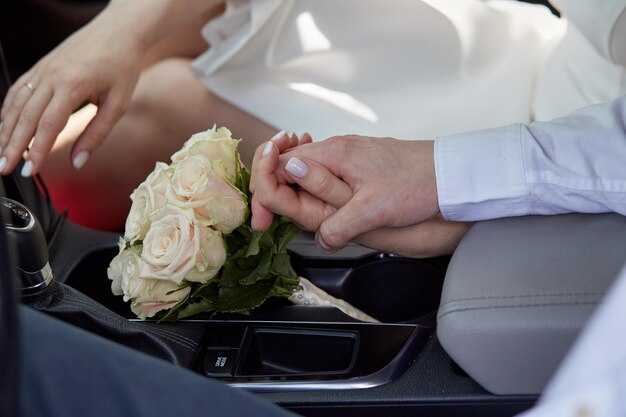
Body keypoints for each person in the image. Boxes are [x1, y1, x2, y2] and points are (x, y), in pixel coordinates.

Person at [2, 0, 624, 231]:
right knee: (204, 29)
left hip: (546, 127)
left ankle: (21, 173)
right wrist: (120, 27)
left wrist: (441, 179)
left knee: (159, 112)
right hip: (523, 46)